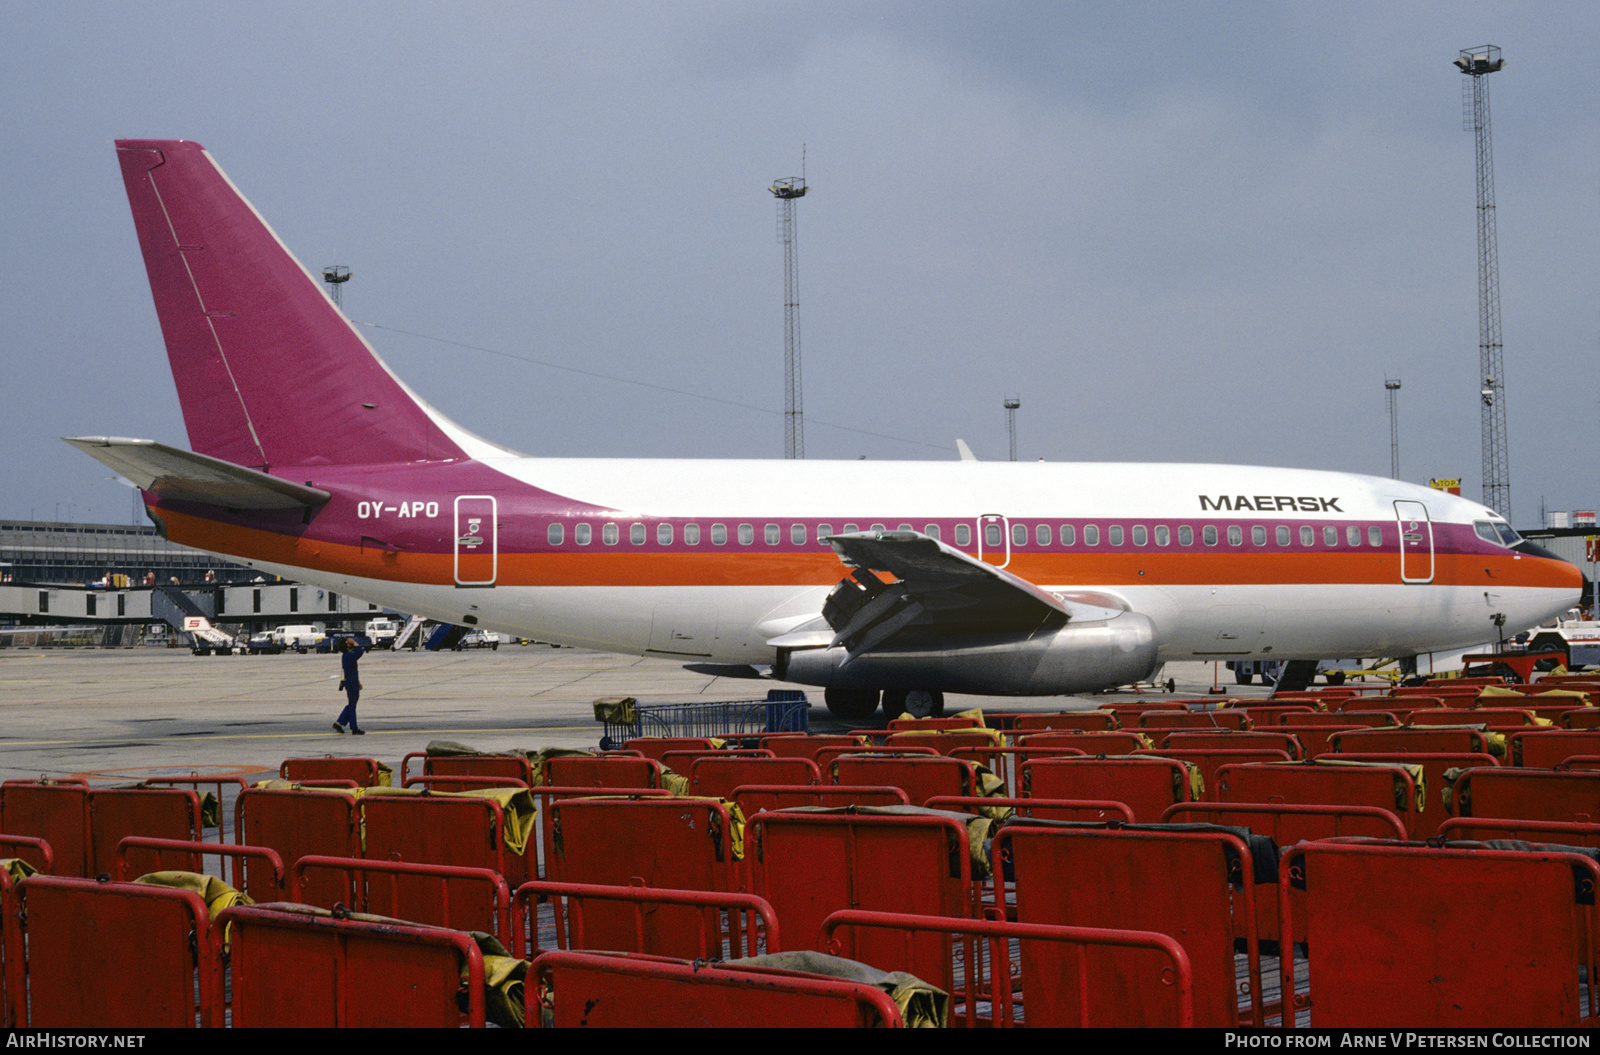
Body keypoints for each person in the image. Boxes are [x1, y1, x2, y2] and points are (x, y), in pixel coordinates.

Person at [333, 637, 366, 735]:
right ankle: (353, 728)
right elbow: (360, 651)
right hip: (351, 683)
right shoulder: (348, 655)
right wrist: (354, 642)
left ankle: (339, 723)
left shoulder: (347, 655)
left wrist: (358, 681)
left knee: (352, 704)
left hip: (352, 681)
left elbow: (352, 670)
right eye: (348, 643)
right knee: (352, 705)